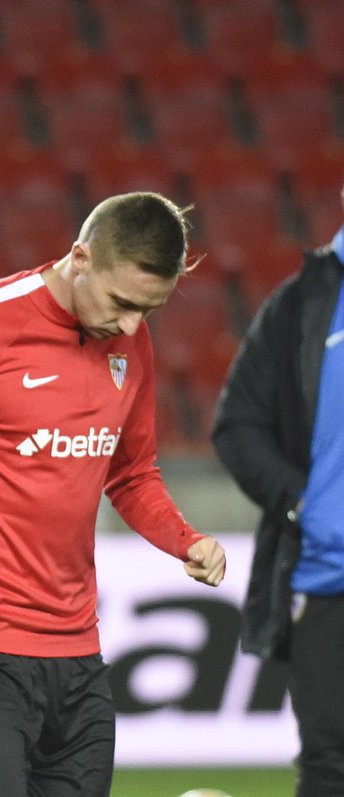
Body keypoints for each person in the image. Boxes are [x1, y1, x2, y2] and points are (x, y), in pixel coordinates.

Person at [0, 191, 228, 797]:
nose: (130, 326)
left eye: (148, 312)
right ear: (79, 258)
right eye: (122, 302)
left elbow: (130, 474)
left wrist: (184, 539)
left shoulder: (130, 339)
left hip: (78, 658)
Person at [211, 182, 344, 796]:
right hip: (326, 580)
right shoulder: (302, 305)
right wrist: (306, 504)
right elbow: (237, 425)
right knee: (329, 765)